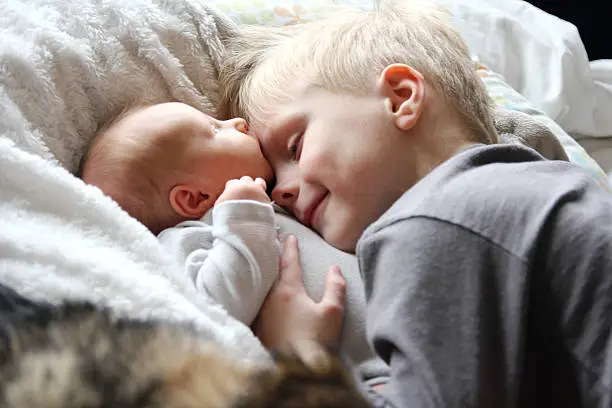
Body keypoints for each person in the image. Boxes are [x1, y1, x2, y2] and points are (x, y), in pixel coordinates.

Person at [220, 1, 612, 407]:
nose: (281, 190)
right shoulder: (526, 188)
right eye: (273, 179)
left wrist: (302, 359)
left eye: (296, 147)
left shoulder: (437, 217)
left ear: (401, 98)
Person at [80, 102, 280, 325]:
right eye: (215, 129)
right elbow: (217, 307)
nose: (238, 123)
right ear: (194, 198)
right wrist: (245, 217)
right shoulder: (184, 242)